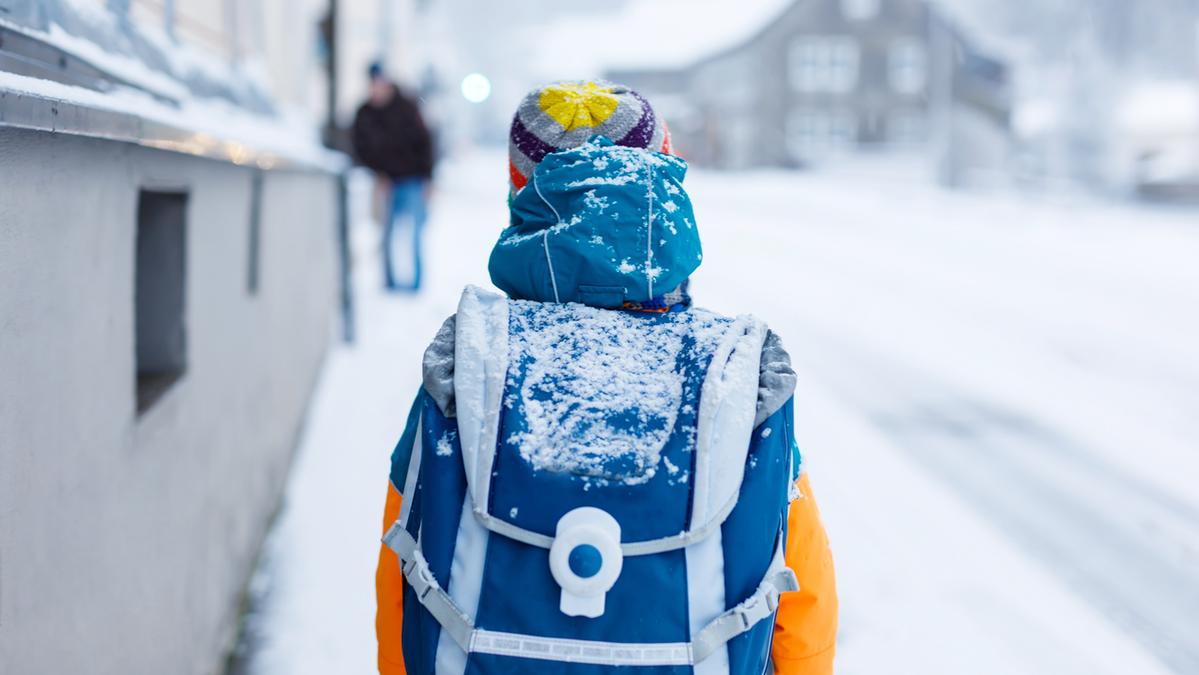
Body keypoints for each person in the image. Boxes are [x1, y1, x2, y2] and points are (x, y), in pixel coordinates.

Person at [375, 81, 837, 675]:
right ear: (662, 187)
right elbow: (804, 600)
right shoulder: (730, 373)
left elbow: (405, 578)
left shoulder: (471, 360)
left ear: (522, 199)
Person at [351, 62, 434, 291]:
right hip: (385, 182)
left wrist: (428, 178)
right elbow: (359, 148)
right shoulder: (365, 113)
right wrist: (377, 173)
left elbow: (425, 143)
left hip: (413, 180)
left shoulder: (407, 107)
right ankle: (389, 283)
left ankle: (416, 284)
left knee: (415, 234)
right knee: (386, 234)